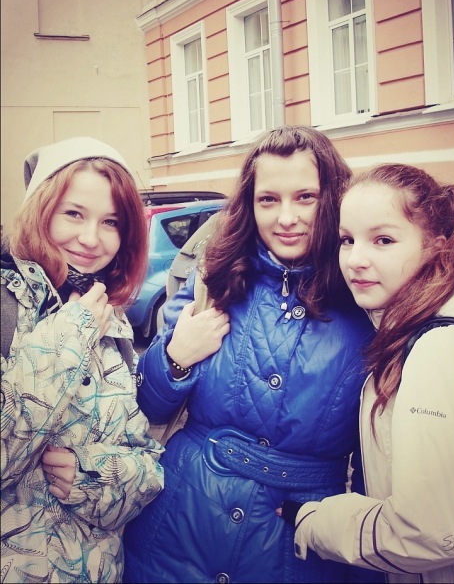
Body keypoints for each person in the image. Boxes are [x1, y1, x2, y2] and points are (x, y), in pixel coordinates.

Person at [123, 125, 381, 583]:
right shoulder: (216, 276)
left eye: (305, 197)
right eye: (268, 199)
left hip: (299, 543)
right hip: (178, 527)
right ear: (250, 203)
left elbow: (376, 464)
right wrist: (175, 357)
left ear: (333, 198)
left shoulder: (367, 298)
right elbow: (148, 405)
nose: (287, 218)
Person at [280, 164, 454, 583]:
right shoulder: (408, 327)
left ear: (434, 247)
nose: (356, 260)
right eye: (347, 240)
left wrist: (314, 521)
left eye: (383, 240)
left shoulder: (436, 348)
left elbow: (429, 532)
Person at [1, 137, 165, 583]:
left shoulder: (107, 314)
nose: (91, 239)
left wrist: (93, 477)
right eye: (73, 213)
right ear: (40, 210)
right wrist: (72, 334)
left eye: (110, 222)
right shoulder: (7, 308)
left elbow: (145, 462)